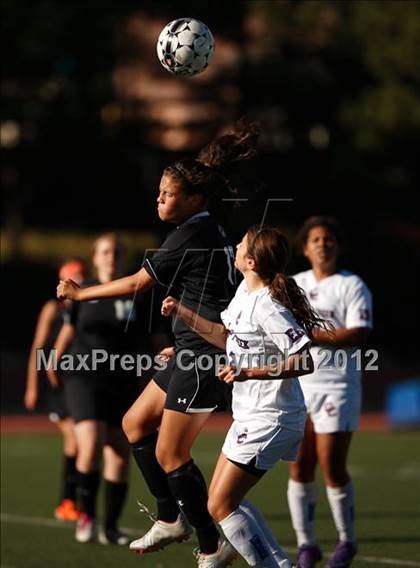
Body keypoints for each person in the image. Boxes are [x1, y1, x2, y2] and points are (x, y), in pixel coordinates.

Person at [57, 122, 260, 567]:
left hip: (204, 356)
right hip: (188, 350)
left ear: (194, 200)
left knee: (171, 453)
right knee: (134, 424)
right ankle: (171, 517)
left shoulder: (189, 234)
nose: (159, 200)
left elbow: (136, 283)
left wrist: (79, 293)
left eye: (168, 194)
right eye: (160, 192)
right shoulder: (207, 225)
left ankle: (211, 543)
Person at [161, 226, 324, 568]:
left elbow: (304, 359)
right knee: (220, 502)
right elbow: (225, 336)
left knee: (221, 503)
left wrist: (252, 372)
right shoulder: (243, 294)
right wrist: (182, 314)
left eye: (241, 244)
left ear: (249, 261)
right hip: (250, 414)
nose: (234, 245)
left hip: (273, 417)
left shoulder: (268, 306)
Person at [51, 233, 155, 545]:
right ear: (96, 257)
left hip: (122, 382)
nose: (112, 256)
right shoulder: (84, 292)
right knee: (91, 444)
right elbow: (65, 336)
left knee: (120, 454)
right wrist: (54, 368)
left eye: (118, 251)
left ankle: (109, 527)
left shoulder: (136, 293)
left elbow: (153, 341)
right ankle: (86, 516)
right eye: (106, 251)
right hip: (83, 378)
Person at [287, 216, 373, 568]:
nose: (323, 244)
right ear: (305, 248)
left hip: (338, 387)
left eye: (329, 239)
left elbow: (357, 333)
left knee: (331, 466)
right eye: (316, 240)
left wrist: (311, 336)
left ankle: (346, 541)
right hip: (299, 387)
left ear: (337, 246)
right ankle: (306, 545)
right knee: (299, 467)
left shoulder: (352, 285)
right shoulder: (294, 285)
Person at [24, 259, 87, 521]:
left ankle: (76, 501)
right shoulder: (53, 309)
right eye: (72, 276)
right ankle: (68, 501)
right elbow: (37, 348)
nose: (78, 280)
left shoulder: (88, 306)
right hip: (59, 384)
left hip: (82, 381)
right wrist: (32, 386)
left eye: (80, 276)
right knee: (74, 440)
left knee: (84, 443)